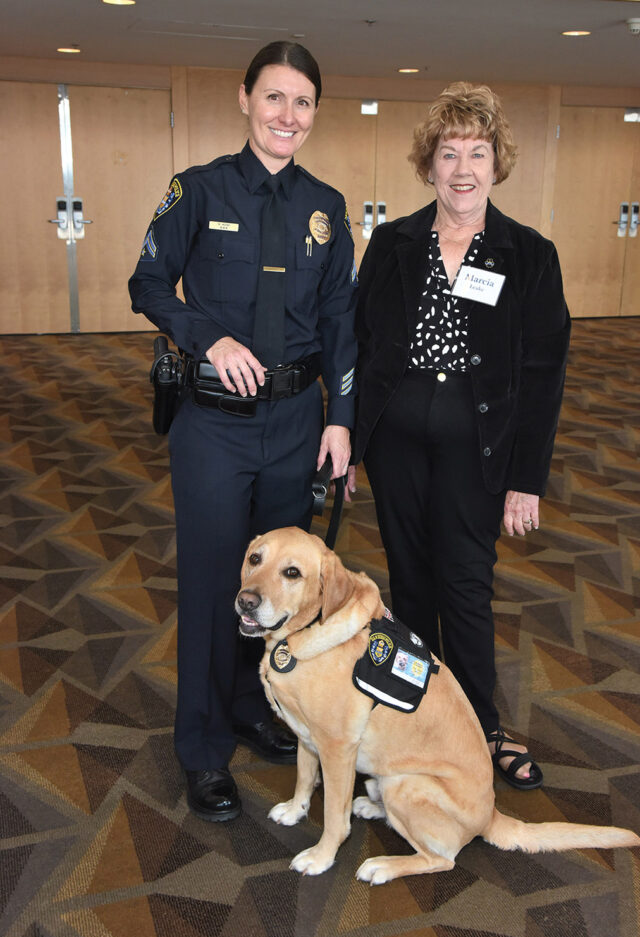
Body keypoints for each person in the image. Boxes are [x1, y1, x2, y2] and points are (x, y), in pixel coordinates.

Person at [129, 42, 357, 820]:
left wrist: (341, 420)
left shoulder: (326, 208)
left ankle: (250, 706)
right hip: (214, 430)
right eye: (273, 98)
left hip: (296, 423)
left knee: (278, 591)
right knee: (213, 585)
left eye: (301, 102)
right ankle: (200, 746)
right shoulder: (196, 189)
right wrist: (206, 337)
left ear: (313, 114)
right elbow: (147, 281)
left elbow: (339, 325)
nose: (286, 115)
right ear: (244, 99)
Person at [349, 82, 570, 790]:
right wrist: (351, 443)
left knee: (466, 587)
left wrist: (525, 479)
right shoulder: (391, 243)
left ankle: (481, 728)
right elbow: (360, 347)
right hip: (395, 444)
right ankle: (413, 717)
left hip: (478, 451)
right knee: (409, 587)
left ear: (496, 162)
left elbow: (543, 377)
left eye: (478, 151)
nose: (463, 167)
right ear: (429, 163)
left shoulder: (528, 255)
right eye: (449, 153)